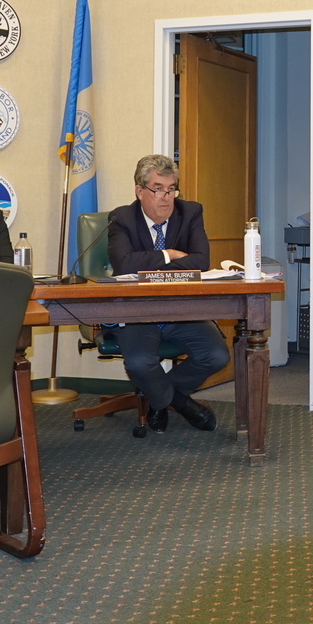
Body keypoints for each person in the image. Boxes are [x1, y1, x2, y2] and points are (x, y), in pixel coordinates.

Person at [103, 154, 226, 435]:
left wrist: (148, 263)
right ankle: (180, 403)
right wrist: (167, 255)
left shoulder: (190, 212)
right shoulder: (121, 218)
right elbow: (124, 264)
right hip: (136, 313)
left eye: (171, 189)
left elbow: (201, 261)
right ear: (139, 191)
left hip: (180, 310)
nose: (166, 197)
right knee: (138, 363)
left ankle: (158, 401)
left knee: (216, 355)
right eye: (158, 189)